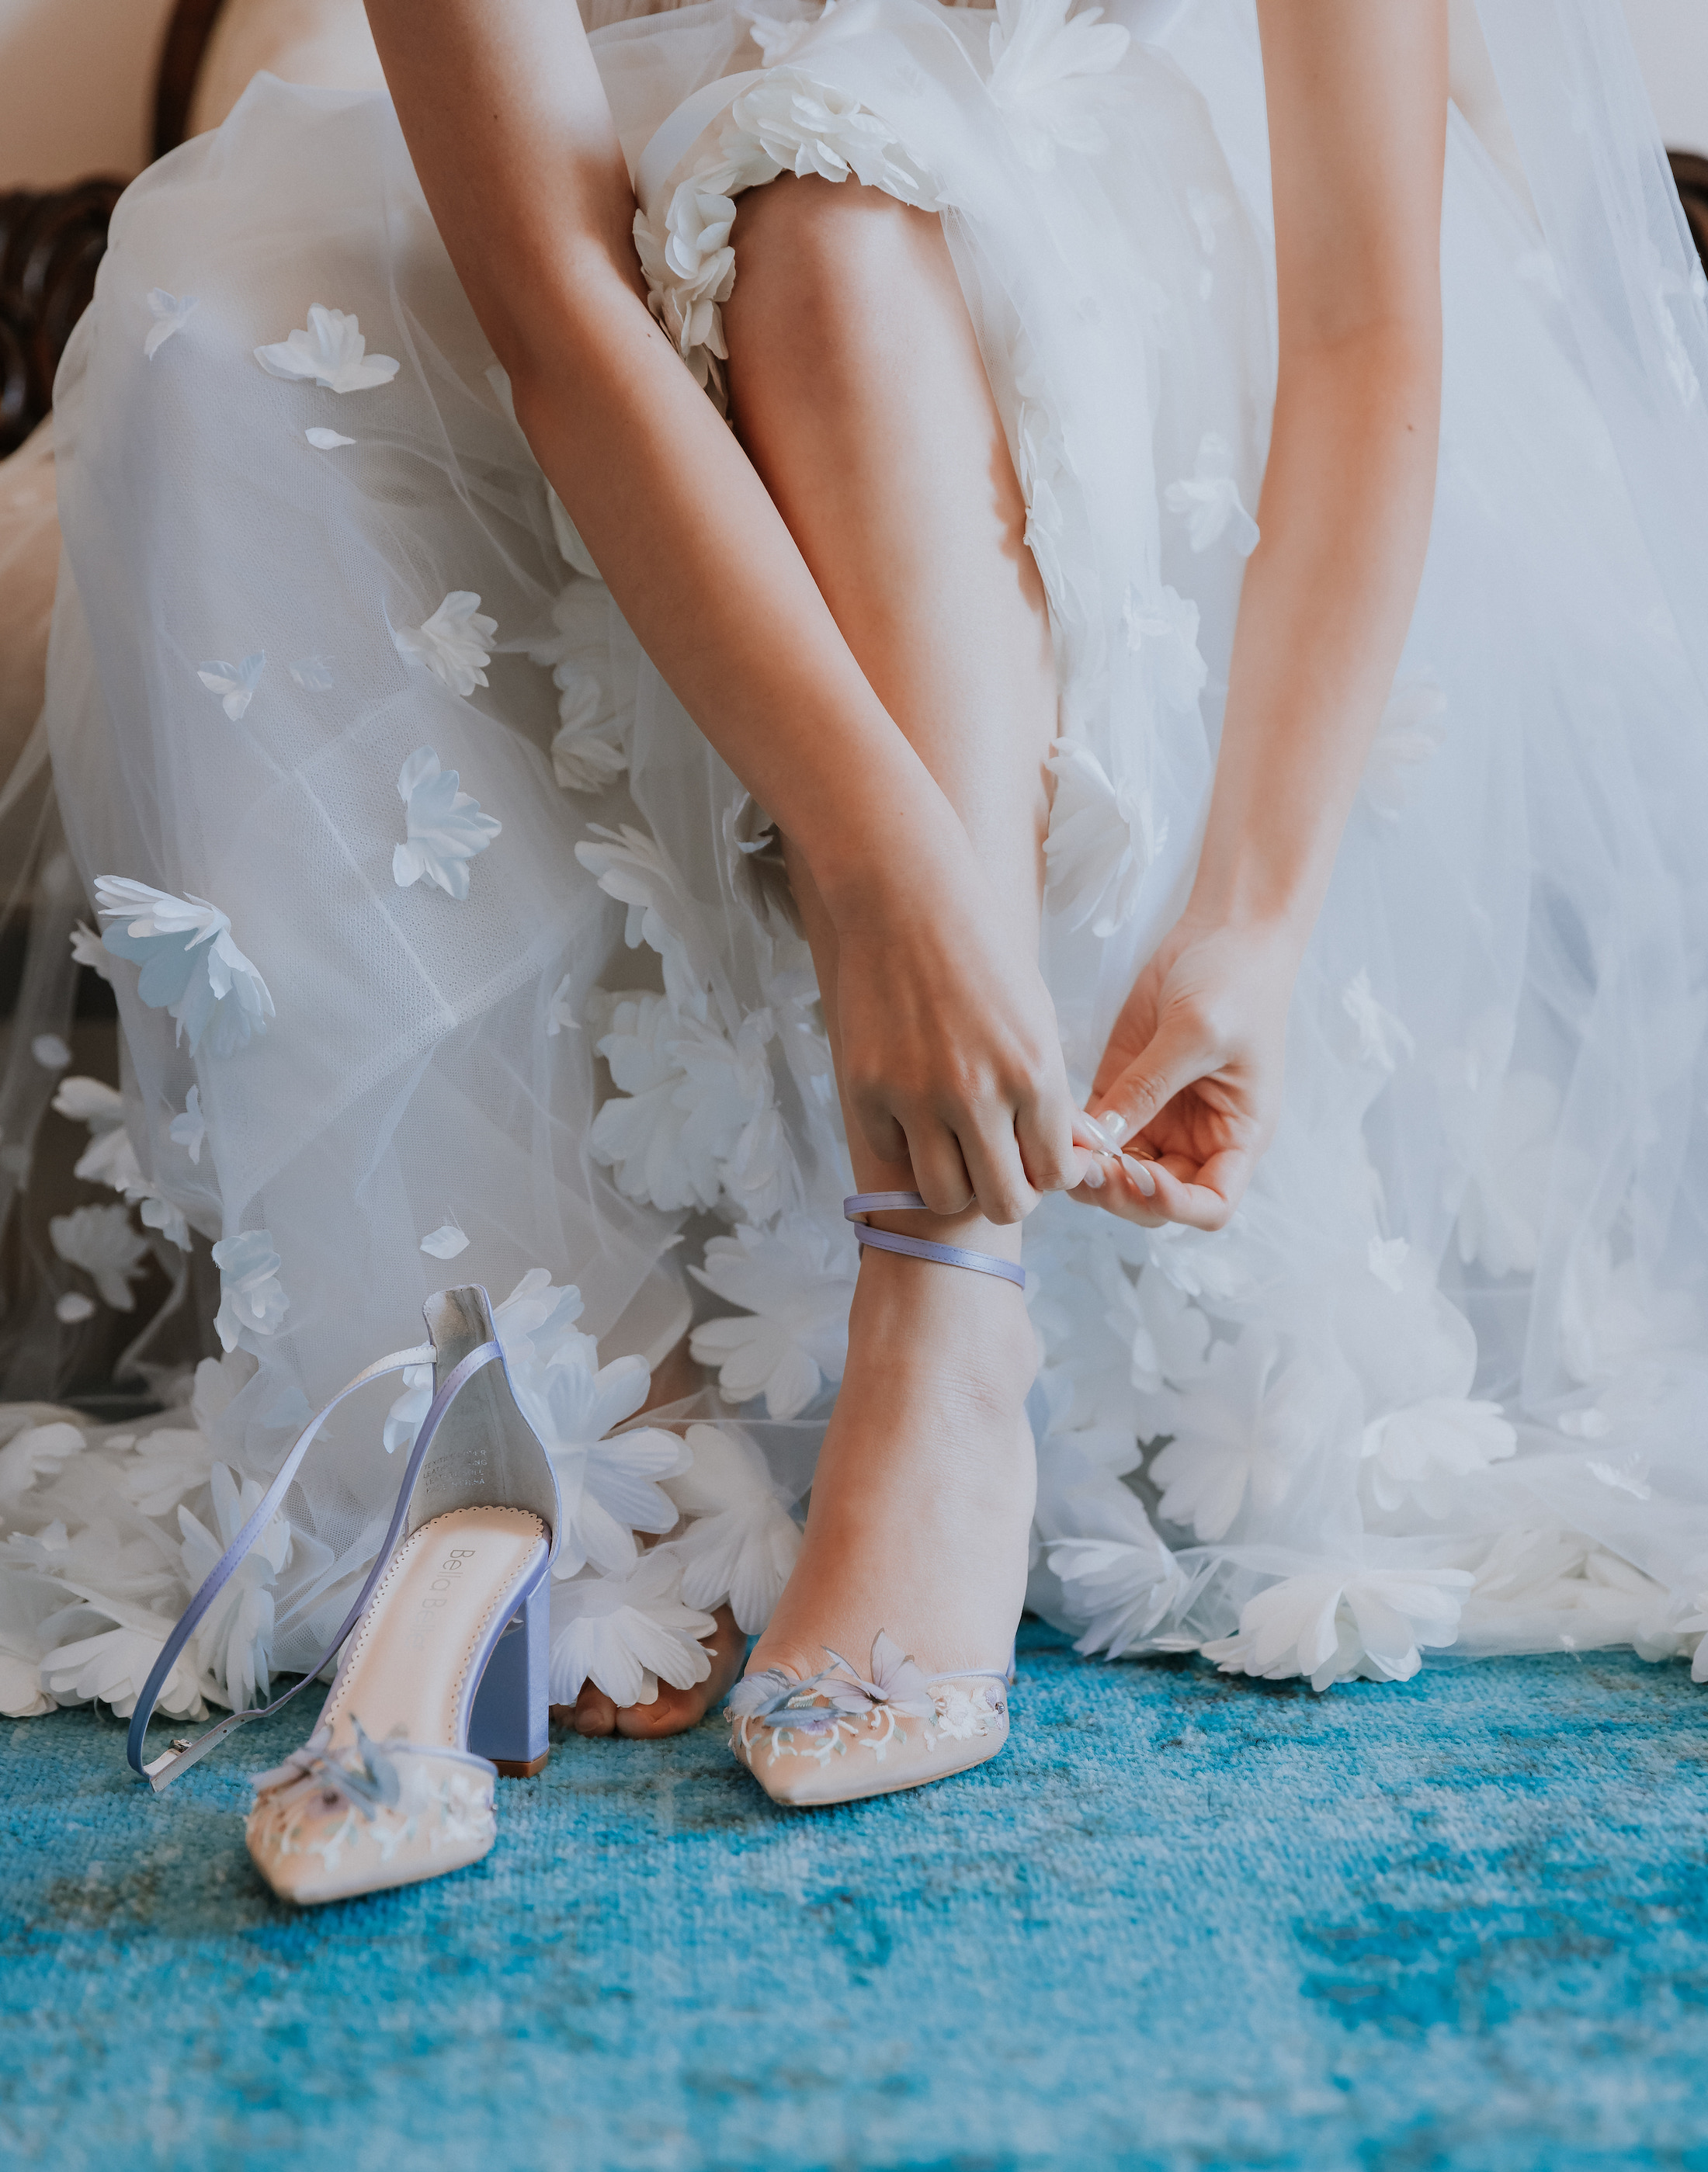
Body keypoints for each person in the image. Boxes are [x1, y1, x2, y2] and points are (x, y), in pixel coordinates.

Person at [18, 0, 1708, 1809]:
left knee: (823, 193)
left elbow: (1369, 326)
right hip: (619, 282)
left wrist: (1251, 914)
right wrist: (873, 855)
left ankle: (942, 1302)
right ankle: (573, 1387)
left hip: (1086, 289)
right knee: (208, 335)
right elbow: (553, 305)